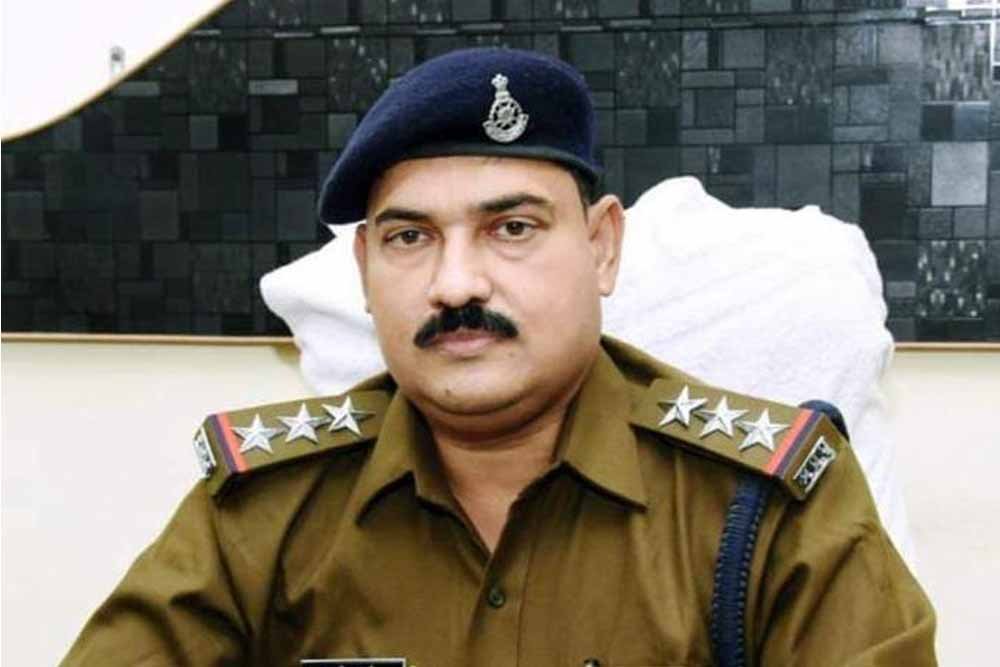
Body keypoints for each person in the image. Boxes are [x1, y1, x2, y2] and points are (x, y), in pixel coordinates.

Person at [63, 48, 935, 666]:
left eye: (511, 228)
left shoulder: (766, 510)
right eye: (410, 237)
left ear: (601, 247)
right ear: (365, 270)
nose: (455, 283)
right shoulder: (266, 511)